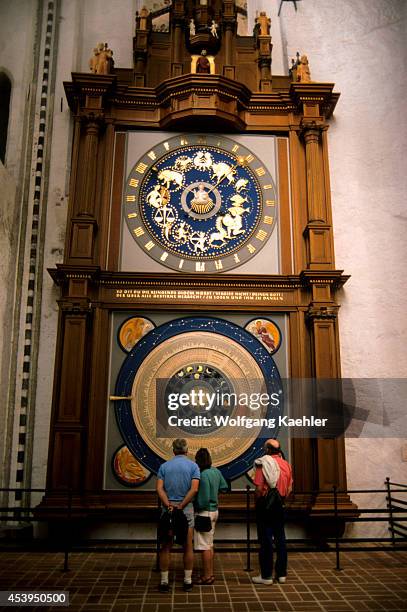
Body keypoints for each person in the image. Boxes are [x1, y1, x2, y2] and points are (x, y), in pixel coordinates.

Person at [156, 438, 200, 592]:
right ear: (187, 451)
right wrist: (181, 505)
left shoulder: (164, 466)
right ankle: (187, 581)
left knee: (166, 547)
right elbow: (194, 489)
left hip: (167, 510)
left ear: (173, 450)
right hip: (186, 510)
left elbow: (159, 489)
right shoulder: (193, 466)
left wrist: (168, 504)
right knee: (188, 546)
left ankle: (164, 582)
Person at [252, 439, 293, 585]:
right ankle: (281, 575)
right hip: (280, 505)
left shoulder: (261, 464)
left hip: (265, 506)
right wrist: (280, 500)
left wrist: (258, 502)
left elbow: (258, 489)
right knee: (281, 539)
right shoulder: (286, 465)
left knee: (266, 540)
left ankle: (266, 576)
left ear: (267, 450)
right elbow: (289, 489)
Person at [194, 448, 228, 585]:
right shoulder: (216, 471)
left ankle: (207, 576)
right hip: (215, 511)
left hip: (204, 513)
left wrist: (194, 504)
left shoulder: (202, 475)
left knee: (204, 546)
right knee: (209, 544)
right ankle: (211, 574)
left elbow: (203, 500)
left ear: (198, 461)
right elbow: (224, 487)